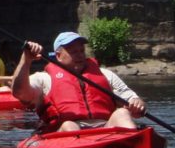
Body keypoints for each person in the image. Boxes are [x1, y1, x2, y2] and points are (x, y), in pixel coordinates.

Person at [11, 31, 146, 133]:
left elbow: (133, 102)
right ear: (58, 56)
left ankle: (133, 144)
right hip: (65, 133)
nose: (80, 55)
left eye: (81, 50)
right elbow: (20, 93)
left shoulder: (105, 74)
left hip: (105, 129)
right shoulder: (44, 78)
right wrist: (26, 60)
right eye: (73, 52)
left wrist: (137, 104)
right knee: (69, 125)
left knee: (122, 114)